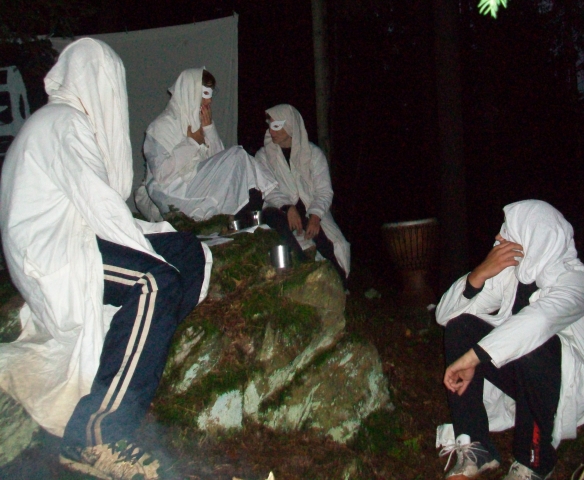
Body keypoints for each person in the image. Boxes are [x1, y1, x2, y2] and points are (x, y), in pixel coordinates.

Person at [0, 39, 212, 480]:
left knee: (187, 252)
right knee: (154, 282)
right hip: (54, 256)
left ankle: (141, 363)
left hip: (77, 236)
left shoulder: (66, 123)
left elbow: (102, 207)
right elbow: (101, 206)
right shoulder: (61, 122)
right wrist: (147, 253)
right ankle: (96, 436)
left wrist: (153, 243)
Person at [435, 200, 584, 480]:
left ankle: (534, 462)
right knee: (460, 328)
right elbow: (445, 317)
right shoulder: (513, 274)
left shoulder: (577, 281)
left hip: (568, 385)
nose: (499, 236)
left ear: (535, 236)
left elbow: (538, 322)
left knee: (535, 346)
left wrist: (472, 357)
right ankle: (476, 447)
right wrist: (479, 275)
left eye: (509, 230)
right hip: (524, 376)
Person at [138, 67, 277, 222]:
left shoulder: (198, 123)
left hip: (196, 186)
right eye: (205, 93)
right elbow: (162, 174)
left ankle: (256, 215)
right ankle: (253, 215)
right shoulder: (161, 126)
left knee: (242, 160)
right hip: (174, 193)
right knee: (237, 155)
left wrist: (209, 129)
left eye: (211, 94)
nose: (209, 100)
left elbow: (220, 163)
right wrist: (192, 142)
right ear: (191, 91)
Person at [255, 104, 350, 286]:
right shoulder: (263, 156)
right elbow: (268, 189)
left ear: (290, 125)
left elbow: (324, 190)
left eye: (276, 126)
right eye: (270, 125)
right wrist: (288, 207)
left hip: (310, 210)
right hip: (280, 211)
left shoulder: (313, 154)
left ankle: (341, 281)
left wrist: (315, 215)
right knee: (272, 217)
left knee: (328, 241)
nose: (271, 131)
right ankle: (299, 260)